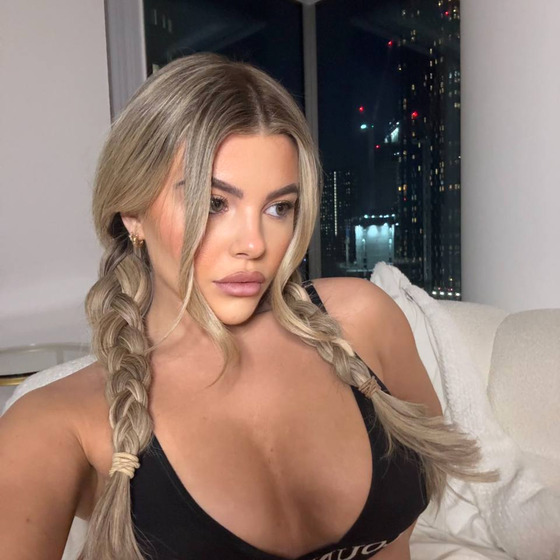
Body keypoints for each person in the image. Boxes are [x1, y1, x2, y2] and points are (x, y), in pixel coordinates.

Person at [0, 53, 491, 560]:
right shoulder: (55, 425)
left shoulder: (363, 322)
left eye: (279, 207)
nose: (254, 244)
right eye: (214, 203)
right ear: (132, 213)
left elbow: (405, 525)